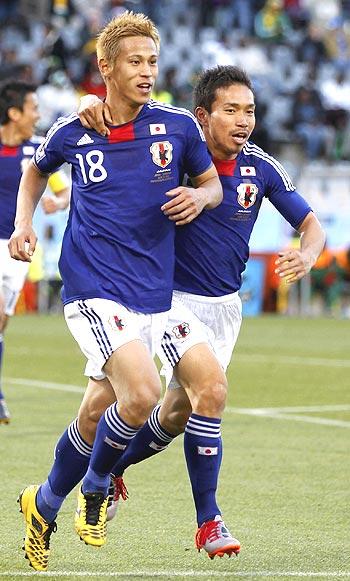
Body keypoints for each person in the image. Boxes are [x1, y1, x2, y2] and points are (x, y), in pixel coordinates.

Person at [76, 65, 325, 560]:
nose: (242, 121)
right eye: (230, 110)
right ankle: (209, 522)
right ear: (202, 117)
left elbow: (311, 223)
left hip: (223, 309)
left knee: (174, 413)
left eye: (249, 110)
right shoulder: (173, 158)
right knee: (210, 391)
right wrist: (90, 111)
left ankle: (110, 470)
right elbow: (121, 125)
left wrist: (307, 253)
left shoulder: (262, 168)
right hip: (168, 303)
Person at [8, 12, 222, 572]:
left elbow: (212, 183)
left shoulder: (177, 127)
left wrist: (199, 200)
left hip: (155, 292)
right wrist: (22, 224)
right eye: (135, 61)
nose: (147, 71)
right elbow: (35, 171)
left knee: (100, 408)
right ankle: (100, 482)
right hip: (93, 288)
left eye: (152, 61)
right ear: (106, 67)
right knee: (145, 393)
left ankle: (45, 502)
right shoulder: (76, 128)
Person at [0, 79, 70, 424]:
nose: (38, 114)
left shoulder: (38, 150)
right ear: (14, 113)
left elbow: (64, 189)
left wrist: (58, 200)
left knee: (1, 324)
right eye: (33, 108)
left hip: (15, 250)